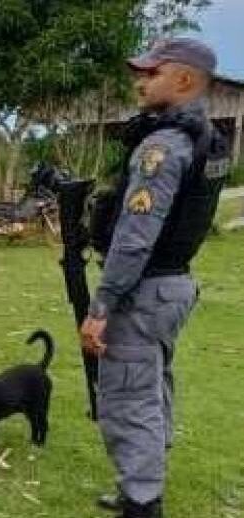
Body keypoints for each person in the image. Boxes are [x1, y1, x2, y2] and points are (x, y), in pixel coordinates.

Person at [80, 38, 230, 518]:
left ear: (184, 80)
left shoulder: (164, 145)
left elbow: (135, 236)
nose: (139, 82)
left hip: (144, 290)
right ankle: (139, 487)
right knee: (152, 384)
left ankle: (142, 502)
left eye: (151, 73)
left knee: (128, 395)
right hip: (174, 285)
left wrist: (101, 305)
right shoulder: (207, 137)